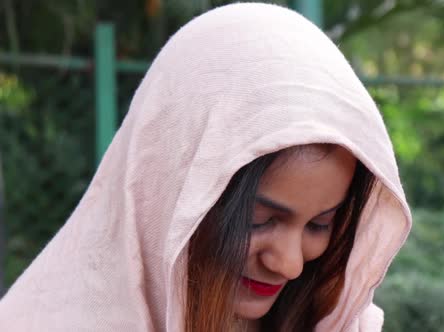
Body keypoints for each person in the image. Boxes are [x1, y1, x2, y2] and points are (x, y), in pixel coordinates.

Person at [0, 3, 411, 331]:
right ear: (169, 191)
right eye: (259, 219)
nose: (289, 264)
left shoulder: (336, 321)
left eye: (319, 225)